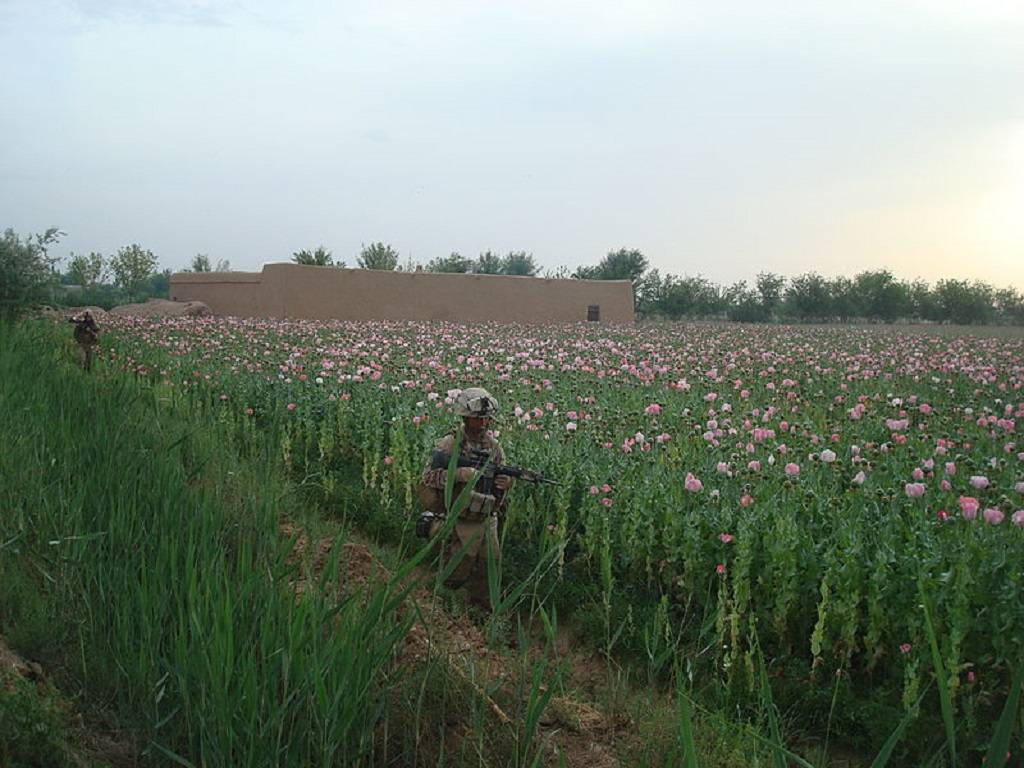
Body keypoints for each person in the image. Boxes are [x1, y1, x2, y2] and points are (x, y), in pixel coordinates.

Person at [416, 387, 513, 609]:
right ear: (465, 418)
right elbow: (428, 477)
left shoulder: (493, 447)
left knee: (490, 562)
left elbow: (503, 471)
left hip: (485, 515)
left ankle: (481, 610)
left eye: (486, 420)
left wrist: (507, 482)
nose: (483, 424)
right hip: (458, 514)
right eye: (478, 420)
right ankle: (441, 600)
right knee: (460, 564)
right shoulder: (450, 444)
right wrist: (459, 474)